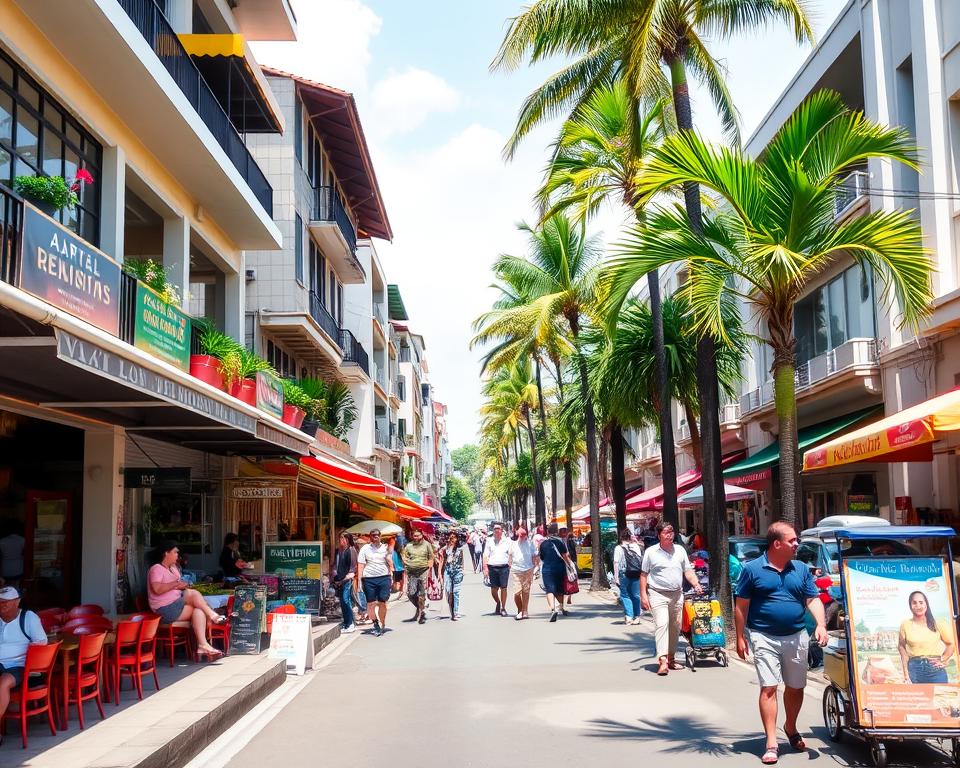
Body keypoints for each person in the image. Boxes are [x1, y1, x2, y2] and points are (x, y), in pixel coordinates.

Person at [735, 521, 827, 765]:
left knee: (796, 687)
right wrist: (740, 637)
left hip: (796, 635)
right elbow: (741, 606)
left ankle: (790, 726)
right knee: (769, 687)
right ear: (777, 544)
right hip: (763, 636)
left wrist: (820, 624)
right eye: (792, 540)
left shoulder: (801, 569)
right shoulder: (752, 569)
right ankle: (771, 742)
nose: (797, 544)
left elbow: (813, 599)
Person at [640, 522, 703, 676]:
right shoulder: (651, 552)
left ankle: (671, 658)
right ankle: (662, 661)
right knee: (662, 624)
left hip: (677, 594)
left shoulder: (680, 550)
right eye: (666, 532)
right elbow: (643, 575)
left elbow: (687, 570)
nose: (669, 535)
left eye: (671, 531)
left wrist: (696, 583)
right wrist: (643, 595)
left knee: (675, 627)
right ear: (659, 535)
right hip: (657, 594)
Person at [148, 541, 224, 658]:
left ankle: (203, 645)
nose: (178, 555)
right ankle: (212, 615)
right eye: (175, 552)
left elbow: (177, 585)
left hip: (177, 605)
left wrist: (181, 585)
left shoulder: (173, 568)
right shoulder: (156, 568)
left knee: (198, 610)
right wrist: (176, 585)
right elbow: (157, 589)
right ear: (166, 553)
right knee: (192, 594)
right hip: (165, 609)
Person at [0, 586, 45, 729]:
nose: (2, 604)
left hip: (20, 666)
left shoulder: (28, 617)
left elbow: (41, 643)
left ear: (17, 602)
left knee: (3, 682)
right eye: (0, 601)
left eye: (6, 601)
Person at [898, 590, 955, 684]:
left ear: (926, 604)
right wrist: (906, 674)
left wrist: (943, 659)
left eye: (921, 602)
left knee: (939, 697)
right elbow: (901, 647)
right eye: (914, 603)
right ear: (910, 605)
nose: (918, 606)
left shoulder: (938, 623)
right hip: (914, 670)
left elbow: (951, 644)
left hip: (935, 670)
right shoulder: (905, 624)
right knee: (918, 698)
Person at [358, 529, 394, 636]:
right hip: (369, 578)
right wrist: (360, 580)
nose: (375, 537)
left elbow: (390, 562)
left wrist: (392, 573)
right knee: (371, 604)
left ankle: (382, 623)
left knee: (382, 602)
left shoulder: (385, 548)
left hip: (384, 577)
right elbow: (361, 564)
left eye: (377, 535)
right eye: (373, 535)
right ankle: (375, 623)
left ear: (380, 536)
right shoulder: (365, 548)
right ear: (370, 537)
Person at [539, 522, 574, 622]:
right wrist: (570, 566)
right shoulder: (560, 542)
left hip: (547, 569)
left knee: (549, 590)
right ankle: (561, 607)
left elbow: (542, 557)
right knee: (560, 589)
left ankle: (553, 609)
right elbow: (565, 555)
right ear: (556, 532)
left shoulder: (543, 543)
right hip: (559, 568)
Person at [402, 528, 435, 624]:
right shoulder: (409, 545)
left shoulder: (427, 545)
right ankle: (421, 608)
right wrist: (406, 563)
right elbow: (404, 556)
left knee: (421, 594)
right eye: (414, 536)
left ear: (422, 535)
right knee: (411, 593)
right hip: (412, 572)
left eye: (418, 535)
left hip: (423, 571)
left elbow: (431, 556)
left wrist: (429, 568)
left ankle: (421, 614)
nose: (416, 537)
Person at [613, 529, 645, 625]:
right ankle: (637, 616)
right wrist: (635, 541)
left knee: (625, 595)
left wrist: (616, 577)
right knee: (635, 595)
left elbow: (616, 563)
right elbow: (640, 558)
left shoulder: (618, 548)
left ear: (621, 537)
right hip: (636, 572)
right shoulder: (636, 546)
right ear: (630, 537)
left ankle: (629, 616)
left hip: (624, 573)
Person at [483, 523, 513, 616]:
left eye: (498, 529)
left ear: (501, 530)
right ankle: (498, 602)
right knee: (493, 589)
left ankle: (503, 608)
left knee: (504, 588)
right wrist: (485, 568)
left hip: (504, 567)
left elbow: (511, 553)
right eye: (495, 529)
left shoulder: (507, 541)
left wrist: (510, 563)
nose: (496, 530)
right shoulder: (489, 541)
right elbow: (485, 555)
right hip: (492, 567)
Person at [510, 527, 538, 620]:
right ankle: (520, 609)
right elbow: (510, 556)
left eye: (524, 535)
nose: (523, 537)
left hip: (528, 569)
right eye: (521, 535)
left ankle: (525, 611)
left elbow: (534, 556)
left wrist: (536, 569)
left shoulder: (530, 544)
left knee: (526, 591)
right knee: (517, 593)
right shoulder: (513, 544)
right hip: (516, 570)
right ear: (518, 535)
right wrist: (510, 566)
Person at [333, 533, 358, 634]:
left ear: (347, 539)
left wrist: (343, 579)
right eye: (340, 538)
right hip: (341, 580)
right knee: (343, 602)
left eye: (342, 538)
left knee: (345, 600)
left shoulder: (351, 550)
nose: (340, 540)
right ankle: (347, 623)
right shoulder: (341, 551)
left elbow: (352, 568)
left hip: (347, 580)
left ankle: (351, 623)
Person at [438, 530, 465, 620]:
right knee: (449, 592)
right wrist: (439, 575)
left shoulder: (460, 549)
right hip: (448, 572)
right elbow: (441, 562)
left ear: (457, 539)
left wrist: (462, 571)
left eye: (454, 537)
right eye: (451, 537)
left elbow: (462, 560)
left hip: (457, 571)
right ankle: (452, 610)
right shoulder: (444, 549)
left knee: (456, 592)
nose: (452, 539)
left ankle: (455, 612)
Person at [0, 522, 24, 587]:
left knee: (6, 588)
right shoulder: (22, 540)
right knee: (17, 586)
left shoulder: (2, 541)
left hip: (5, 567)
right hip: (19, 567)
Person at [561, 528, 578, 607]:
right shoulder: (568, 541)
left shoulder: (560, 541)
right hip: (569, 562)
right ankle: (569, 597)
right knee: (571, 578)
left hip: (563, 562)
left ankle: (566, 598)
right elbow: (570, 553)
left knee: (567, 580)